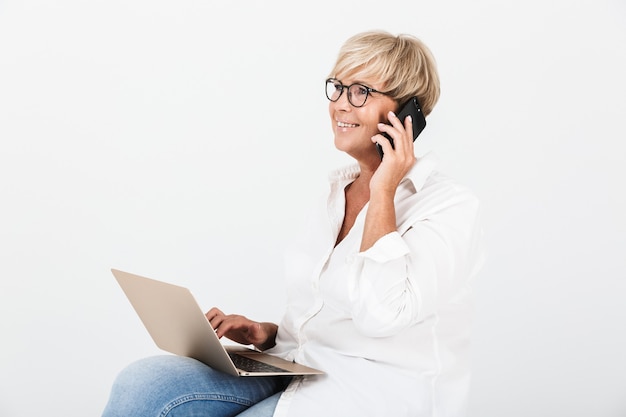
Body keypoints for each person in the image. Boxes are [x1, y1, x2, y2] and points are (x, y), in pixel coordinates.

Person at [101, 29, 485, 417]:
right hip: (299, 369)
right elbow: (319, 313)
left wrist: (384, 189)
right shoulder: (336, 194)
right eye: (337, 87)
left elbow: (380, 314)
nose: (340, 105)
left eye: (361, 91)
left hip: (372, 392)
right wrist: (267, 334)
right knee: (142, 386)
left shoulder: (448, 207)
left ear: (408, 112)